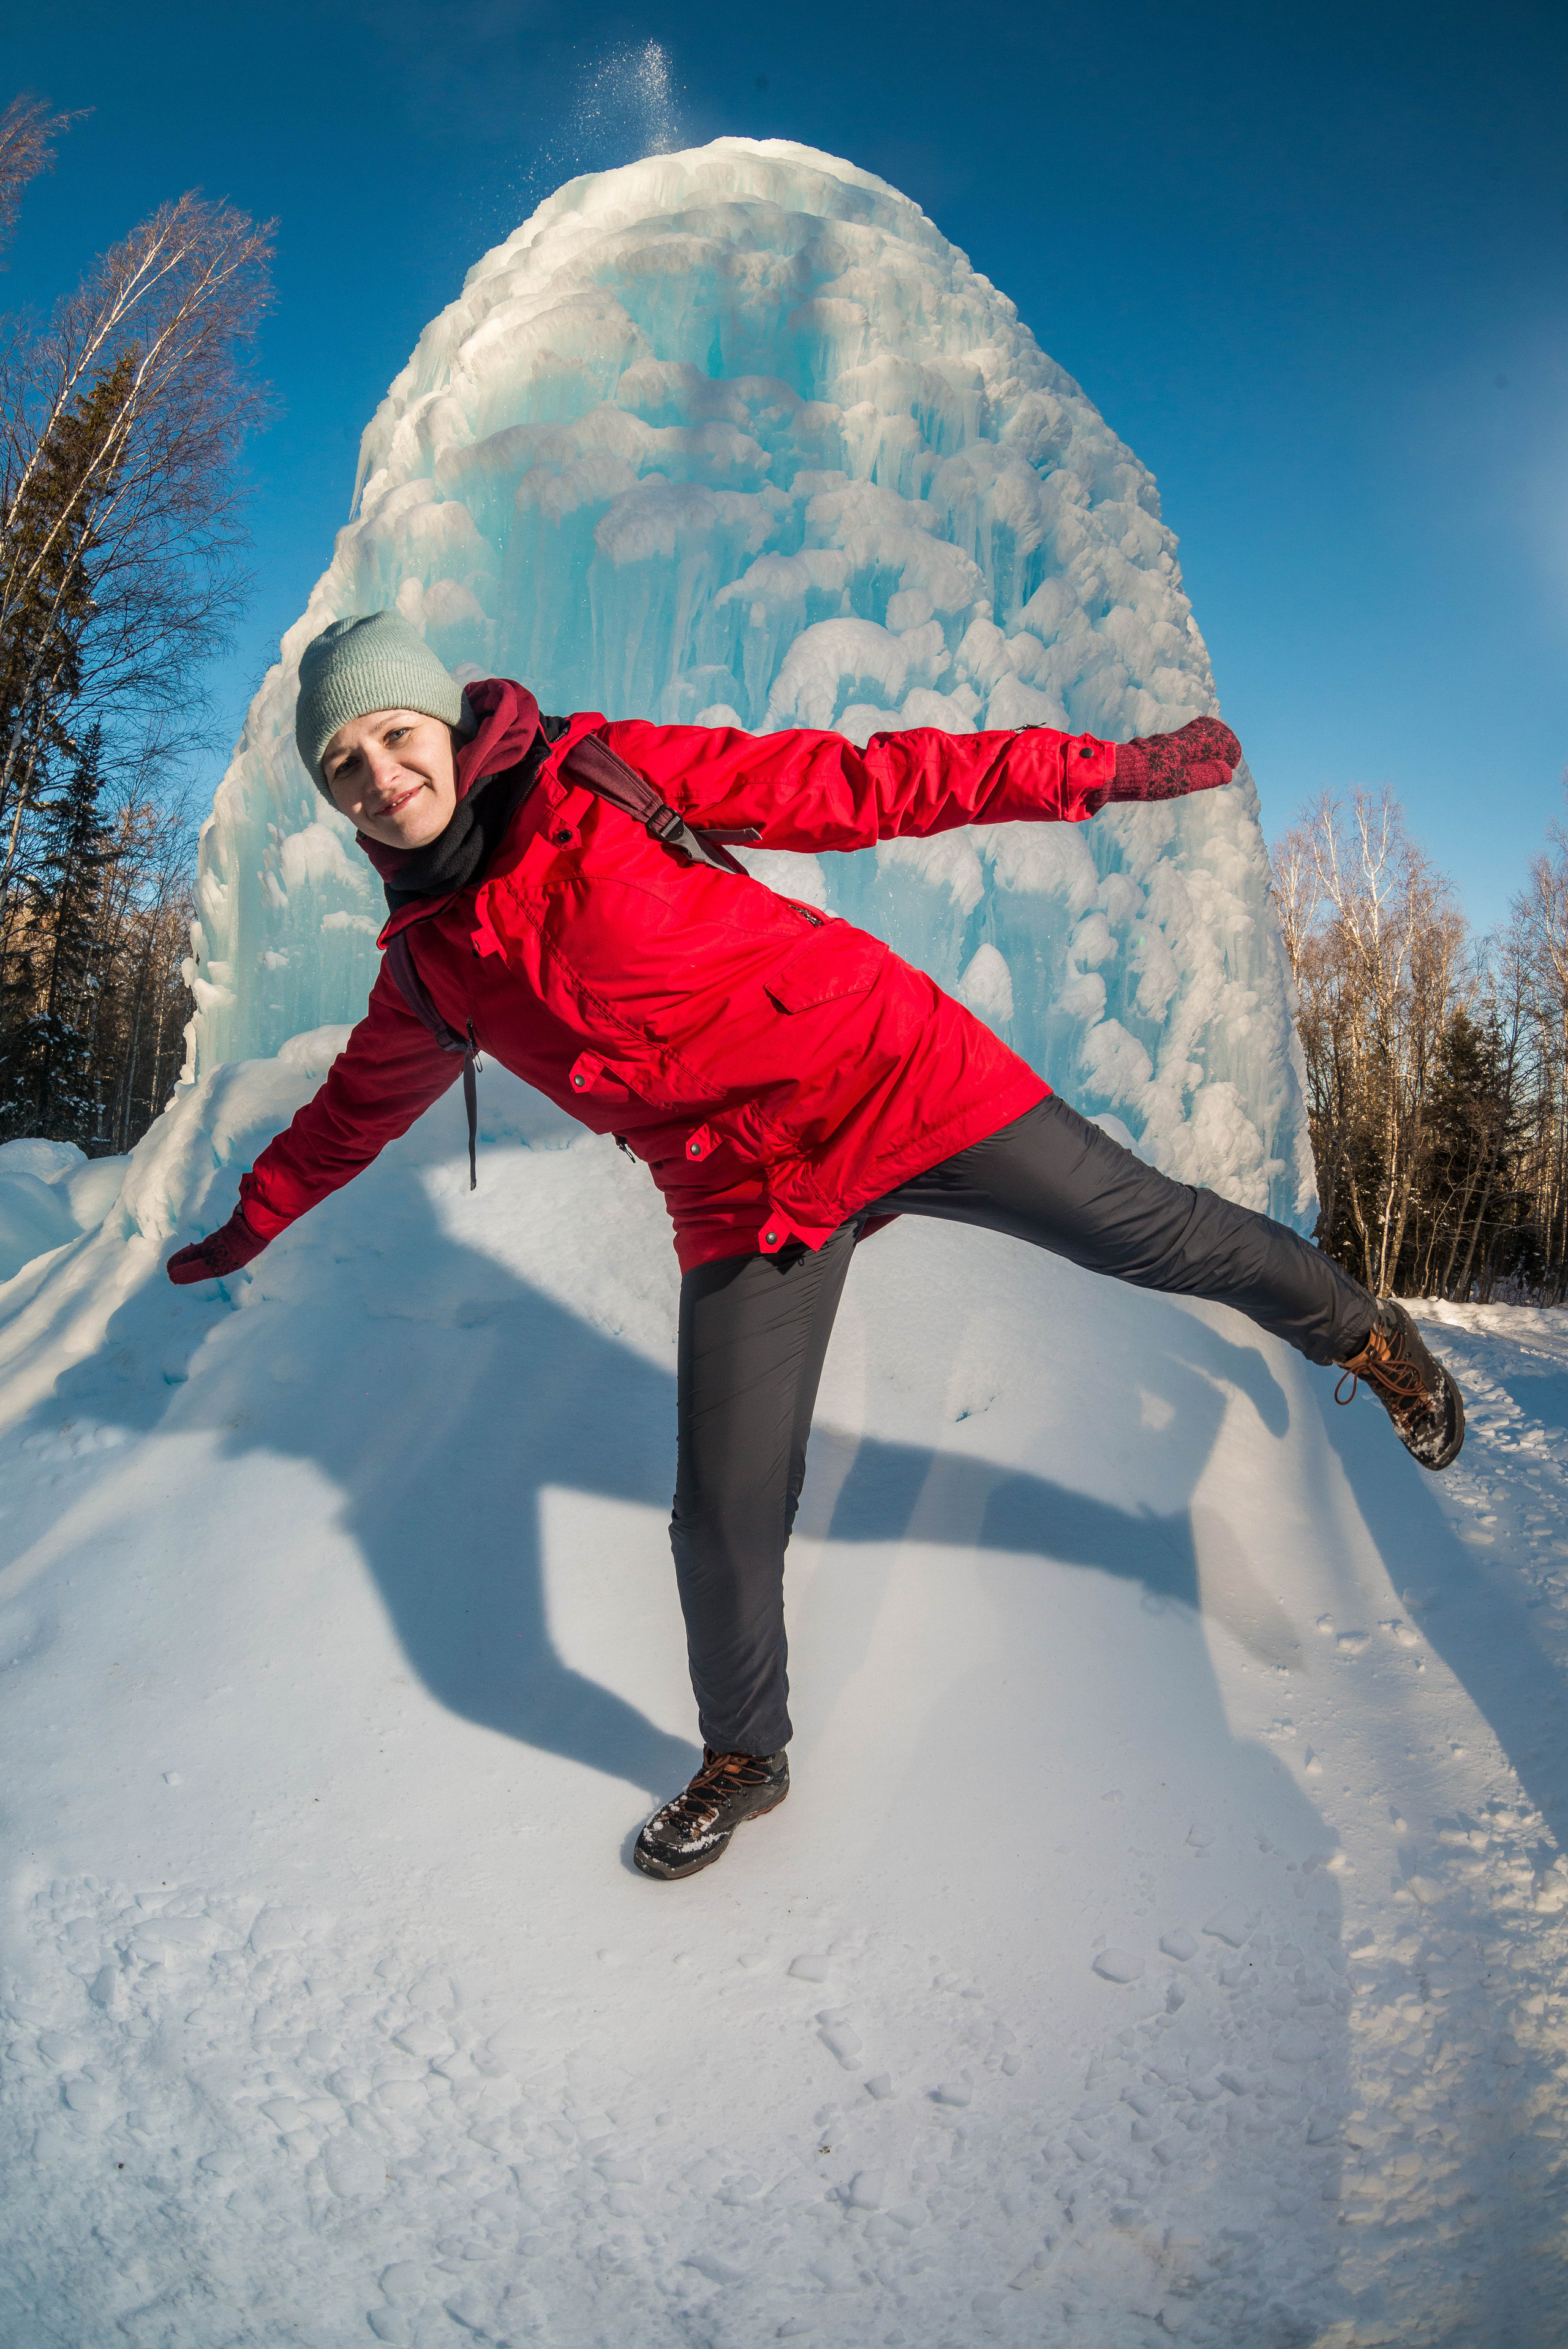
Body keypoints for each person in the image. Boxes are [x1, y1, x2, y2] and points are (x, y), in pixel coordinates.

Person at [168, 611, 1465, 1881]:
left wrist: (1107, 770)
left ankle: (1365, 1336)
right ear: (335, 799)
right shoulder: (429, 968)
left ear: (445, 725)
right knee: (721, 1512)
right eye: (345, 765)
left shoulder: (598, 773)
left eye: (395, 733)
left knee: (1151, 1231)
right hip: (739, 1194)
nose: (381, 775)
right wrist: (249, 1223)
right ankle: (746, 1755)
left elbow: (865, 784)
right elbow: (348, 1115)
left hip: (890, 1071)